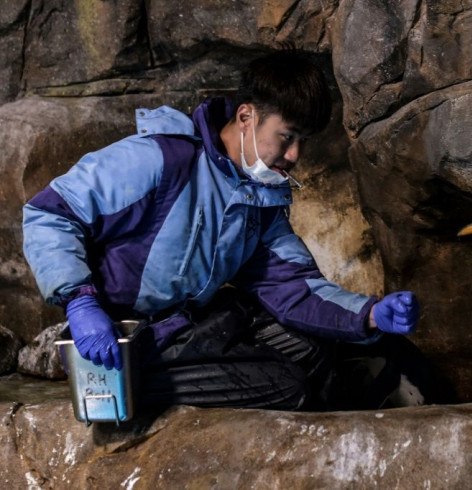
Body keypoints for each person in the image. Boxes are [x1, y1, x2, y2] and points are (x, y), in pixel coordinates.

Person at [22, 50, 432, 411]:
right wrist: (79, 301)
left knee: (311, 346)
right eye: (286, 137)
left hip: (187, 326)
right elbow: (50, 213)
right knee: (287, 388)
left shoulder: (260, 201)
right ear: (246, 116)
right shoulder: (160, 160)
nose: (294, 156)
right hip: (120, 339)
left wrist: (372, 314)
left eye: (302, 142)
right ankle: (125, 389)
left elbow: (295, 287)